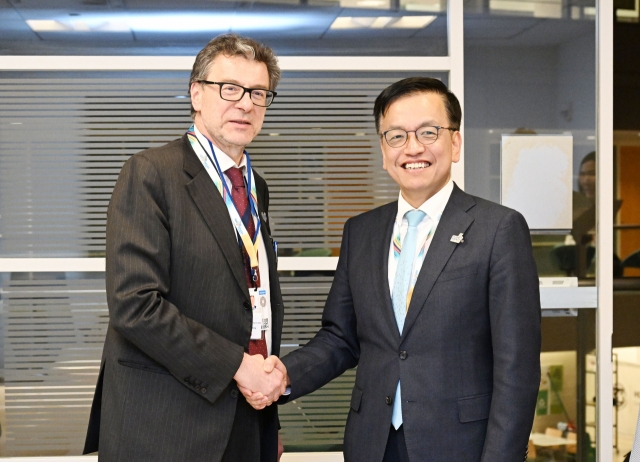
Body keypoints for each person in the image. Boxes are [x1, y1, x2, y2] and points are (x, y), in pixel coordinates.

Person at [245, 77, 542, 461]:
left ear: (455, 143)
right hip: (373, 444)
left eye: (428, 132)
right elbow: (341, 338)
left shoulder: (498, 229)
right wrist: (282, 376)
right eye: (396, 136)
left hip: (460, 447)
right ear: (384, 152)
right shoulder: (361, 231)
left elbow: (516, 367)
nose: (413, 147)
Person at [83, 34, 287, 462]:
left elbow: (251, 300)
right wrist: (236, 365)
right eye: (229, 88)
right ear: (196, 93)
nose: (245, 104)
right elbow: (134, 304)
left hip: (246, 415)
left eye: (258, 93)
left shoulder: (255, 187)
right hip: (167, 425)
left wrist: (266, 403)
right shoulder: (151, 174)